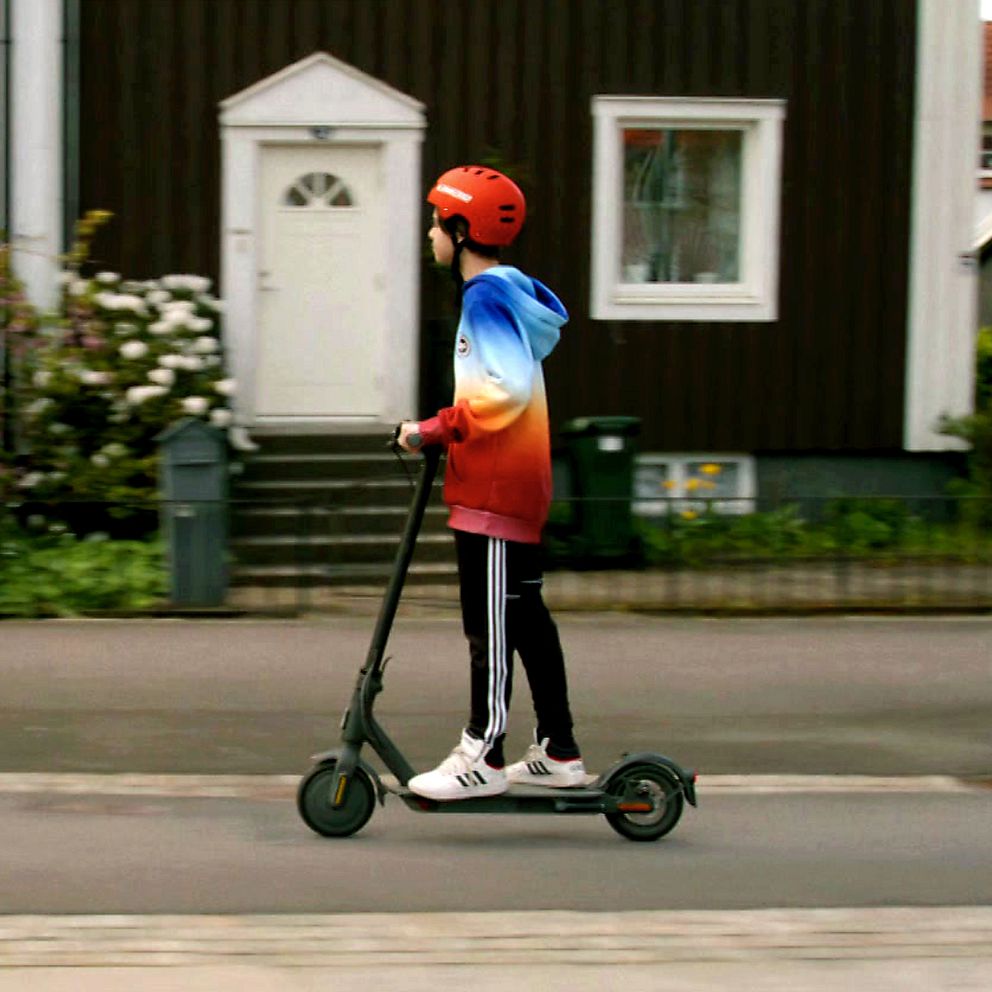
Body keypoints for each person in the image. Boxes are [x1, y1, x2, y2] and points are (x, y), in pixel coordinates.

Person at [397, 165, 585, 801]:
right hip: (514, 483)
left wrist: (433, 428)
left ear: (461, 230)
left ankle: (483, 753)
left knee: (492, 626)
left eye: (436, 223)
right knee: (526, 619)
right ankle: (559, 750)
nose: (429, 234)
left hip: (496, 491)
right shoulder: (508, 292)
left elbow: (501, 393)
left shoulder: (485, 298)